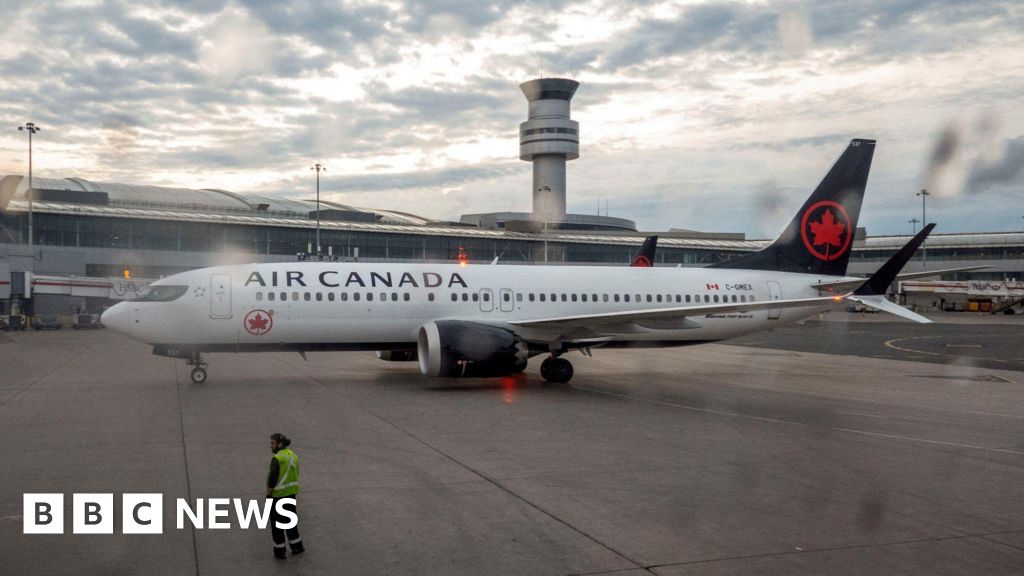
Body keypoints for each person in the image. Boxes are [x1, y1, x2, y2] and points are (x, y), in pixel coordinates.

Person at [267, 432, 304, 559]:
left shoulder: (278, 458)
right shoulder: (293, 456)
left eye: (272, 443)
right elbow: (296, 472)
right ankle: (297, 546)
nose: (270, 446)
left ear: (279, 444)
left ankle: (280, 551)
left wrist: (268, 495)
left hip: (278, 496)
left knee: (277, 526)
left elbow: (272, 479)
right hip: (291, 494)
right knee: (290, 522)